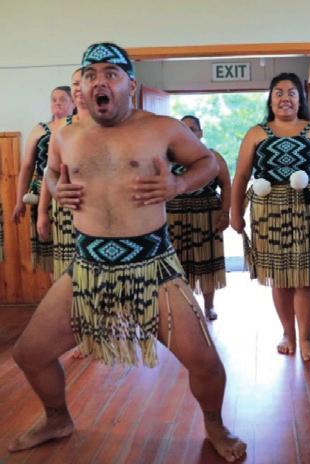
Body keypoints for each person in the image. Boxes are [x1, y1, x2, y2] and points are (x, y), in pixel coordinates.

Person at [9, 43, 246, 462]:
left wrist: (176, 186)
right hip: (86, 268)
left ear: (130, 85)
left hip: (153, 267)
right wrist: (53, 188)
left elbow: (207, 163)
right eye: (91, 74)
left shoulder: (163, 127)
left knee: (206, 363)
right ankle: (57, 416)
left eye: (111, 74)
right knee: (29, 354)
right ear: (81, 84)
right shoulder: (65, 135)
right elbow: (49, 171)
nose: (100, 81)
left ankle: (214, 424)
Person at [231, 72, 310, 361]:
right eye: (278, 92)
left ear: (300, 99)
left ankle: (305, 337)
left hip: (309, 209)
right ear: (270, 98)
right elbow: (242, 175)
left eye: (292, 92)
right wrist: (235, 212)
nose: (285, 98)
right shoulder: (256, 132)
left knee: (306, 278)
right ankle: (287, 333)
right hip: (268, 211)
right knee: (280, 278)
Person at [167, 115, 231, 321]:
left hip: (207, 216)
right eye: (183, 129)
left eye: (193, 129)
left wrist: (225, 212)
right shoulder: (165, 159)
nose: (188, 133)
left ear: (201, 133)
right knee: (176, 264)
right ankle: (182, 308)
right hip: (173, 217)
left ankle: (209, 306)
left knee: (207, 261)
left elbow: (226, 185)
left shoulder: (212, 157)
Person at [12, 85, 75, 271]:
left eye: (63, 99)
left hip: (69, 192)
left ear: (73, 103)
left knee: (72, 249)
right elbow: (26, 167)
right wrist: (19, 201)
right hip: (40, 193)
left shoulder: (78, 127)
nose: (57, 103)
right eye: (53, 99)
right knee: (50, 252)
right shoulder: (40, 129)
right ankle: (56, 292)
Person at [37, 68, 90, 280]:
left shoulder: (112, 123)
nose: (79, 88)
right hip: (66, 211)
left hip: (99, 213)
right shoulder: (61, 130)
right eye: (75, 83)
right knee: (67, 274)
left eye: (83, 82)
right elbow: (49, 172)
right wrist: (42, 211)